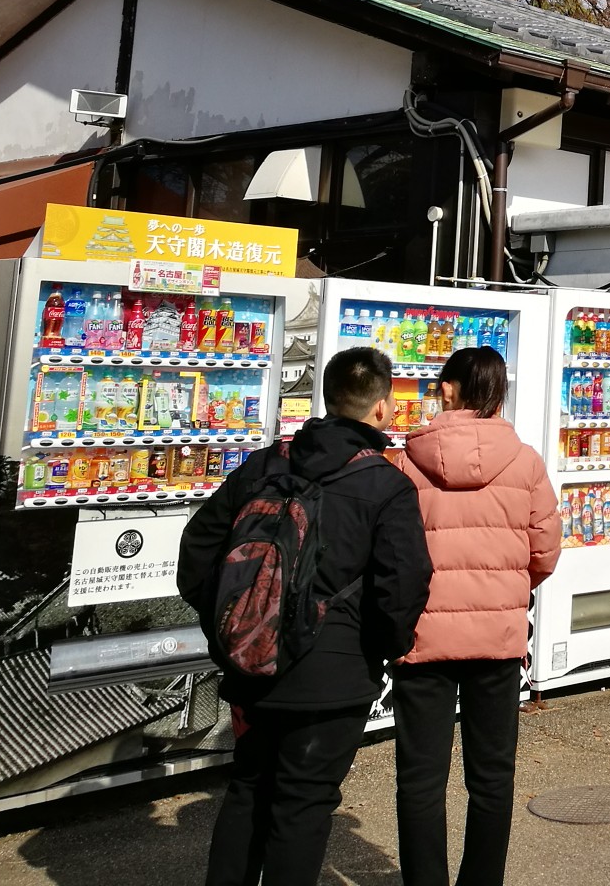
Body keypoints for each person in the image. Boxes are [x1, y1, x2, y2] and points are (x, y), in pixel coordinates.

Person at [178, 347, 432, 886]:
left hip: (253, 665)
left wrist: (229, 626)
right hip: (333, 675)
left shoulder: (265, 464)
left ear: (327, 397)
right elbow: (403, 583)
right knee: (304, 805)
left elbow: (198, 548)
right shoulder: (386, 485)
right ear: (382, 408)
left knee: (248, 788)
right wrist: (384, 648)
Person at [393, 345, 559, 886]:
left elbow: (389, 550)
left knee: (420, 779)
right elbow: (545, 551)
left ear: (448, 389)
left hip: (422, 637)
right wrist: (507, 590)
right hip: (498, 637)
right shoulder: (526, 460)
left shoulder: (405, 460)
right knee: (492, 777)